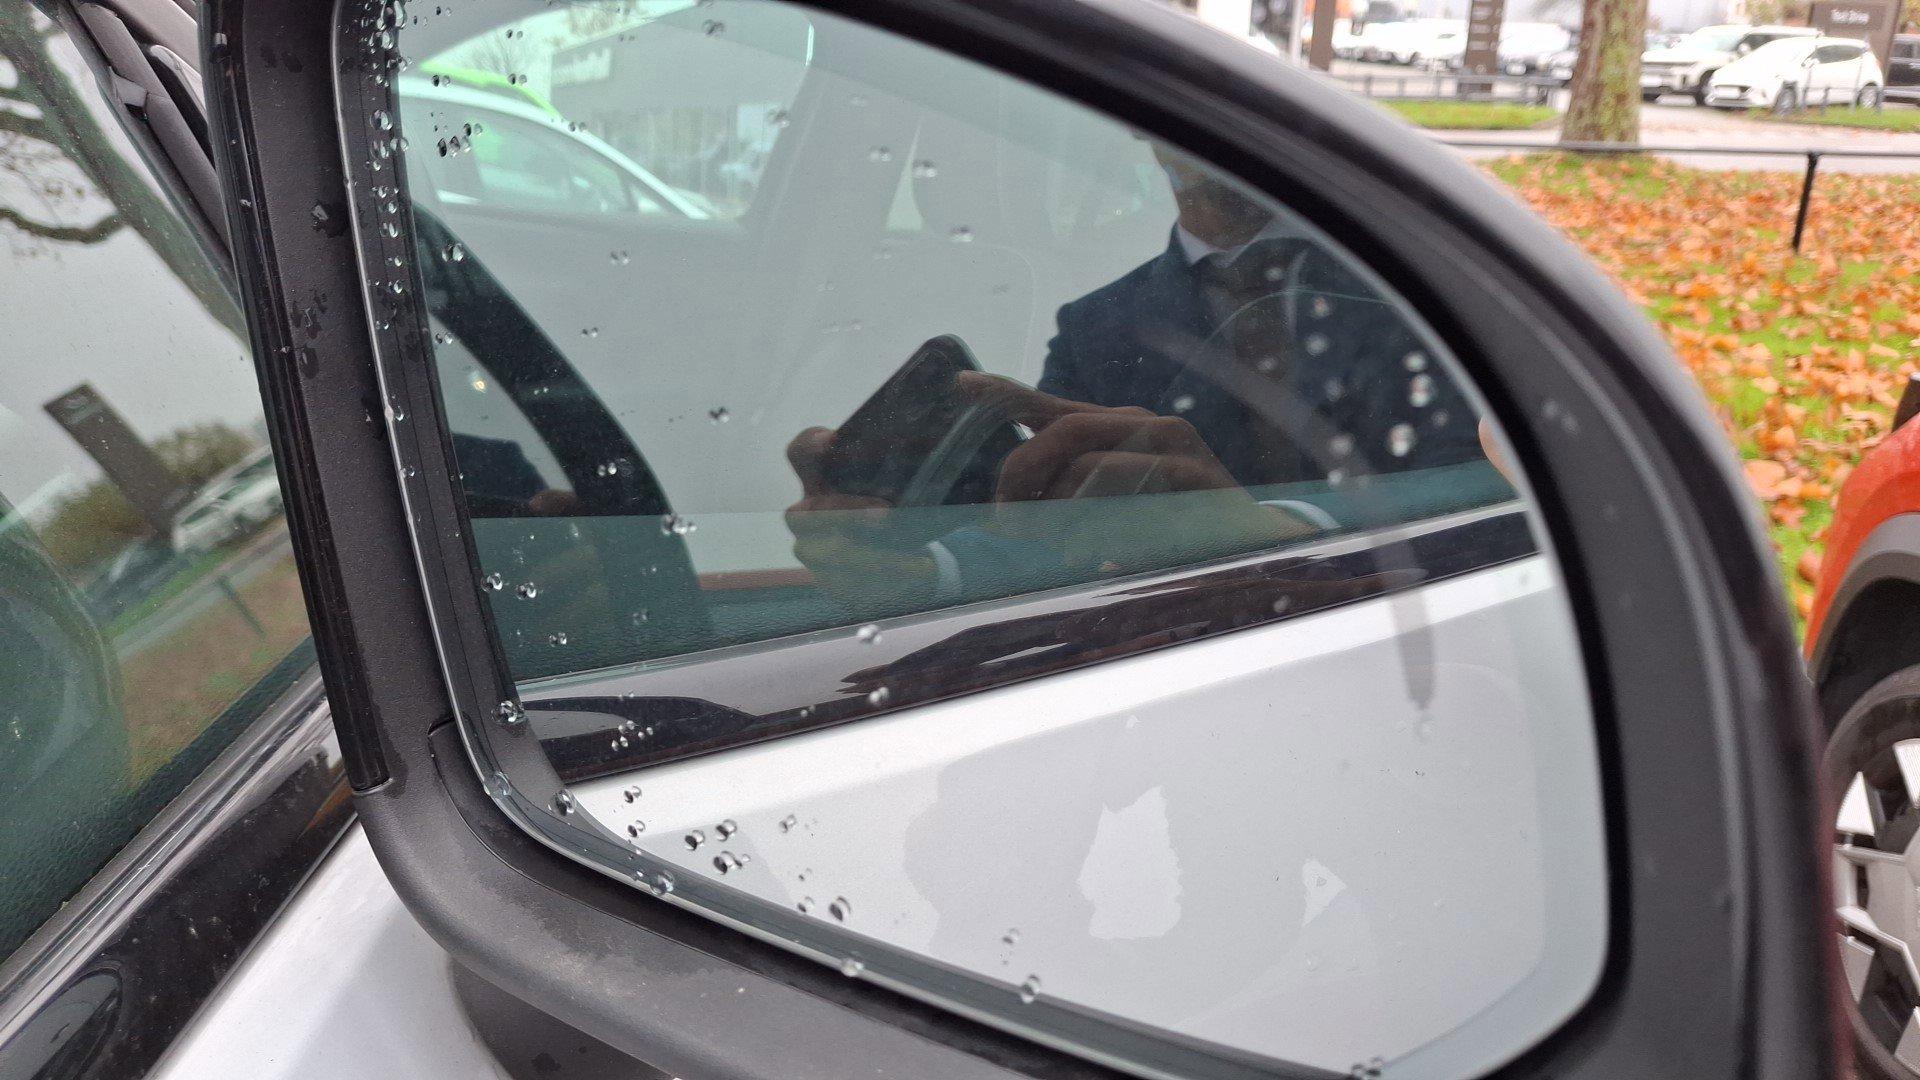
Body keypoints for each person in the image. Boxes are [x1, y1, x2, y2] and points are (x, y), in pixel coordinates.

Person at [784, 141, 1493, 615]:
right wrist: (923, 573)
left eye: (1231, 114)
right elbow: (1047, 515)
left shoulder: (1426, 297)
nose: (1208, 142)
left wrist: (1277, 536)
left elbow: (1481, 491)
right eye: (1189, 116)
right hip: (1153, 638)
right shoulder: (1094, 325)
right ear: (1144, 128)